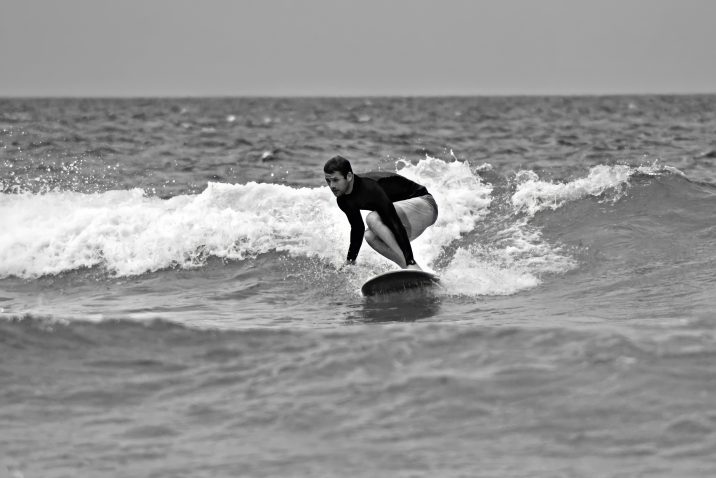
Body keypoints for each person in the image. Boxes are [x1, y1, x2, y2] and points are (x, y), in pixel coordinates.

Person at [323, 155, 438, 270]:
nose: (332, 186)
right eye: (328, 181)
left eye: (335, 180)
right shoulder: (343, 200)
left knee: (372, 218)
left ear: (348, 176)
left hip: (426, 205)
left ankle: (411, 264)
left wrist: (410, 258)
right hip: (408, 218)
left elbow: (394, 222)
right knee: (370, 236)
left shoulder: (370, 188)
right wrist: (350, 262)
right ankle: (413, 271)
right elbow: (357, 229)